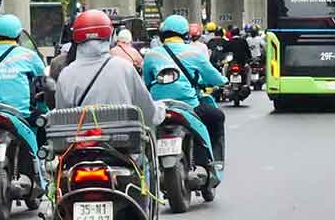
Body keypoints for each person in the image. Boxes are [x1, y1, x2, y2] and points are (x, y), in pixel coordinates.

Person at [0, 15, 48, 190]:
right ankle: (40, 172)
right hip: (19, 114)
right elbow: (42, 82)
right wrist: (43, 106)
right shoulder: (29, 56)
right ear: (18, 34)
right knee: (41, 125)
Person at [143, 15, 227, 169]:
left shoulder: (151, 55)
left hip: (158, 107)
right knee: (217, 117)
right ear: (186, 34)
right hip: (188, 107)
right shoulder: (194, 53)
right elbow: (214, 77)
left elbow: (146, 82)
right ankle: (214, 162)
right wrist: (223, 81)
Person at [57, 10, 165, 128]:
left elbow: (62, 120)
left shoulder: (66, 74)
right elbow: (148, 114)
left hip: (80, 143)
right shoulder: (125, 68)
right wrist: (161, 109)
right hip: (123, 144)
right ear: (110, 37)